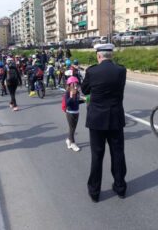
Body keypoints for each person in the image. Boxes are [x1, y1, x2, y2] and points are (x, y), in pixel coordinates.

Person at [81, 43, 127, 203]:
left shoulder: (92, 71)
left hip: (96, 120)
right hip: (115, 118)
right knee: (118, 154)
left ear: (98, 56)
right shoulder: (121, 70)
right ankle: (120, 188)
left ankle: (94, 192)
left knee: (97, 156)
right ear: (111, 55)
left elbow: (84, 90)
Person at [64, 76, 84, 152]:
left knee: (73, 128)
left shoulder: (77, 92)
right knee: (72, 128)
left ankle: (68, 140)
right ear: (69, 85)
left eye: (76, 84)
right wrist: (71, 96)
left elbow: (77, 102)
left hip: (76, 112)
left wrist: (85, 101)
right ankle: (72, 143)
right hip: (70, 113)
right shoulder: (68, 93)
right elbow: (67, 103)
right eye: (73, 84)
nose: (75, 86)